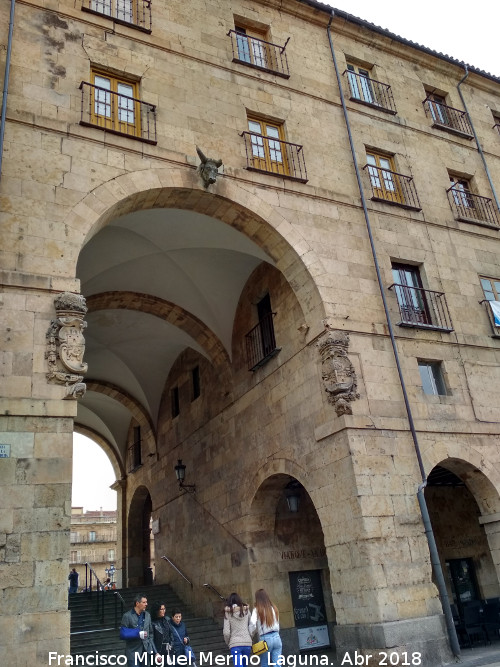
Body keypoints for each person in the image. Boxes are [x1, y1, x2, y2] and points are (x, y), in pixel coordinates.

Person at [120, 593, 158, 666]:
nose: (146, 604)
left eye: (146, 602)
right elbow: (123, 633)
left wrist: (152, 648)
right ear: (137, 603)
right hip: (133, 652)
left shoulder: (147, 615)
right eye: (144, 602)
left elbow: (150, 633)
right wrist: (137, 634)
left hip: (146, 652)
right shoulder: (127, 616)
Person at [249, 589, 282, 667]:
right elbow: (277, 623)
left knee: (265, 663)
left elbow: (252, 624)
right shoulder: (274, 608)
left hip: (265, 638)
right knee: (277, 664)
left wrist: (251, 634)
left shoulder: (257, 610)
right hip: (277, 637)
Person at [223, 592, 252, 667]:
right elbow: (252, 625)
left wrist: (229, 642)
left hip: (235, 644)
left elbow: (226, 632)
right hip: (247, 642)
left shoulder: (228, 613)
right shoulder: (246, 610)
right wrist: (250, 637)